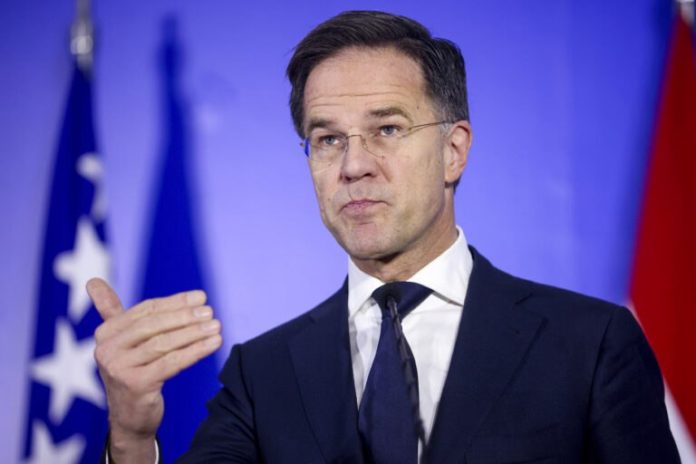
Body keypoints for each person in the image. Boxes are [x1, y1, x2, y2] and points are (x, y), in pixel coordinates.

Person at [87, 10, 681, 464]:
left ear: (454, 150)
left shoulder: (591, 345)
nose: (354, 165)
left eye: (388, 129)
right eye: (328, 139)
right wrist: (133, 437)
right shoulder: (262, 374)